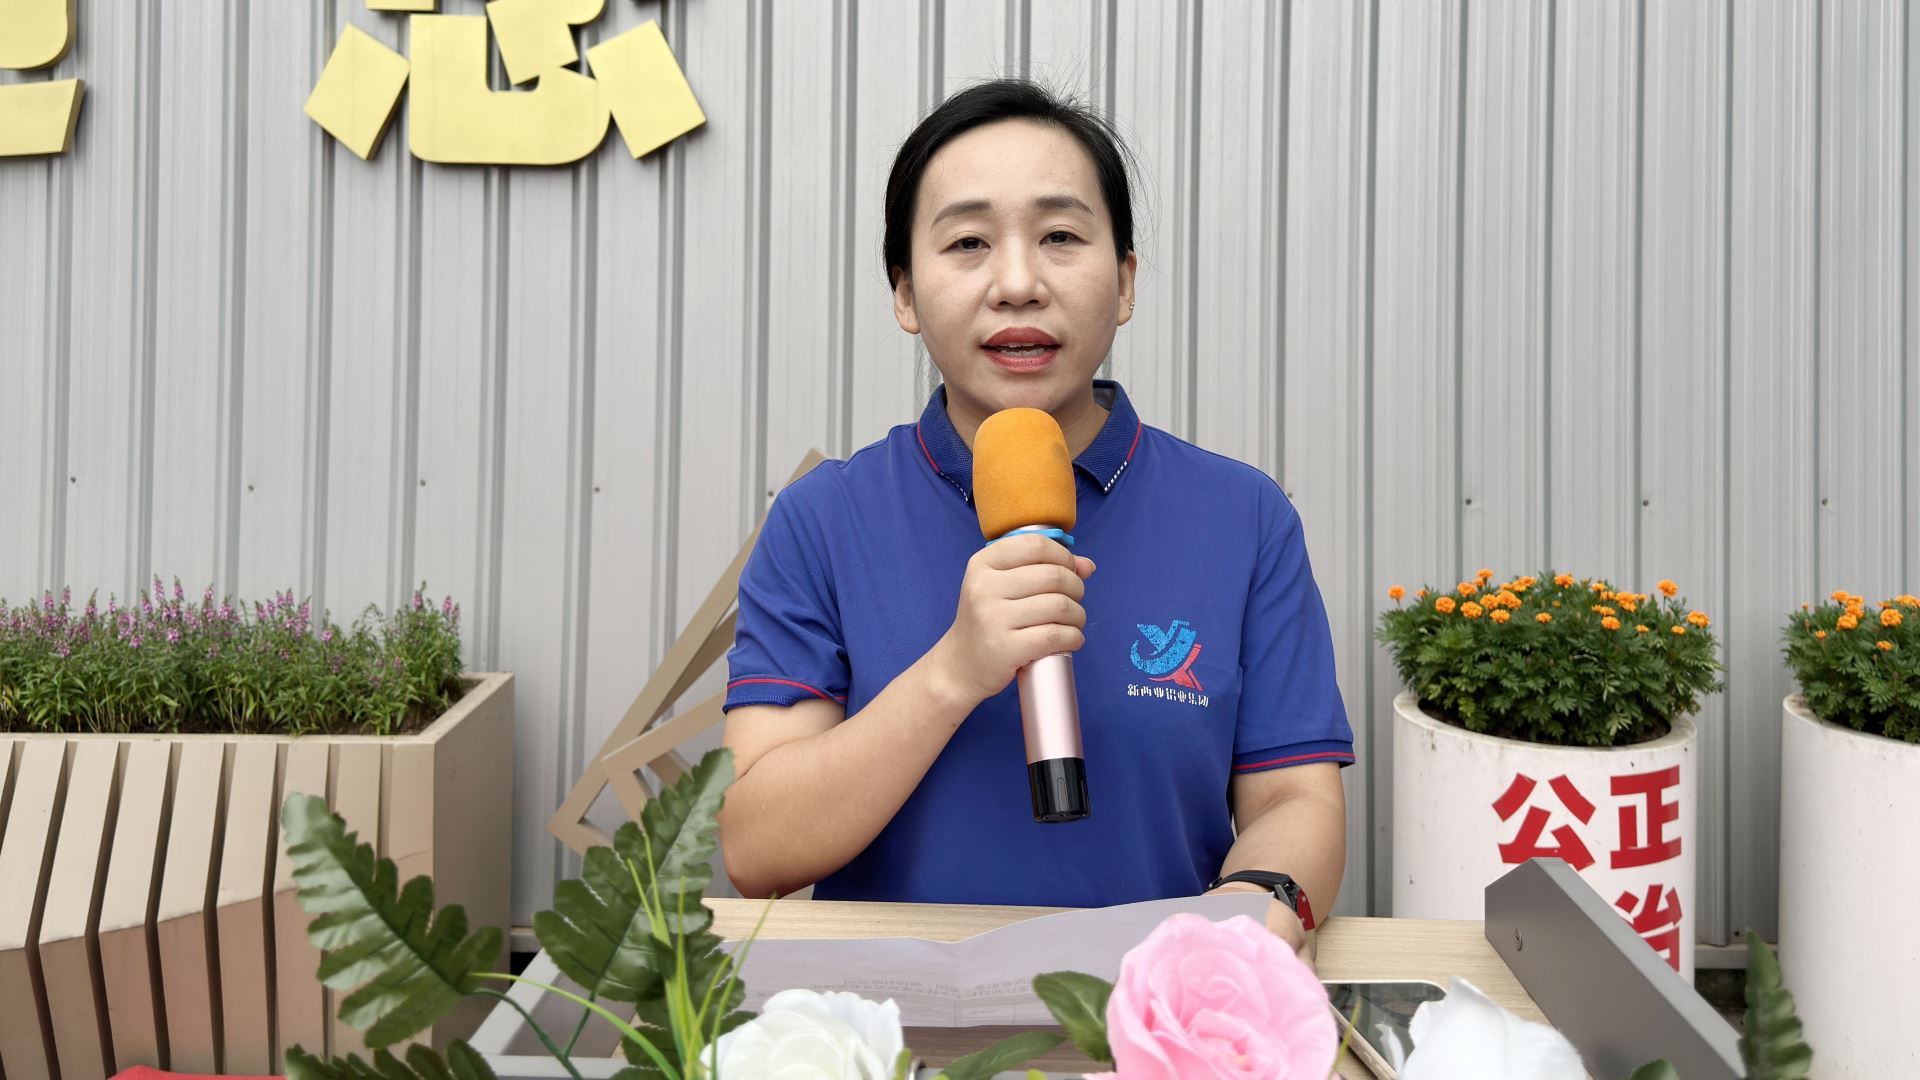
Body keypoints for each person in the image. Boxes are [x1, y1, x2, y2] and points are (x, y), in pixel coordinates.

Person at [717, 79, 1352, 955]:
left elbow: (1293, 798)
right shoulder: (822, 520)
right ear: (905, 294)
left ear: (1123, 281)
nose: (1018, 284)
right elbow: (757, 850)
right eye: (968, 243)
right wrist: (953, 673)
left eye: (1060, 236)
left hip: (1150, 1000)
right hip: (892, 1010)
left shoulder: (1243, 516)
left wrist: (1253, 909)